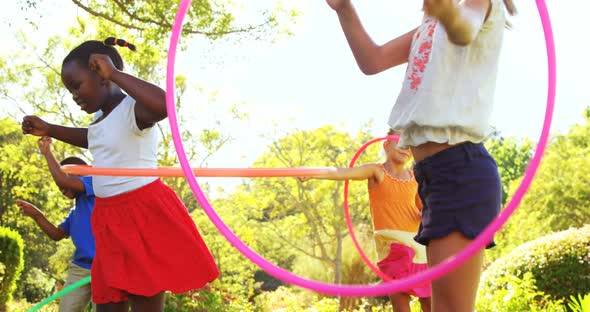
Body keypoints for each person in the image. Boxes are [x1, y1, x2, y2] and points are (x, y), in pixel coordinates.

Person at [327, 0, 515, 311]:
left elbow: (464, 28)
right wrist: (344, 8)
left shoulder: (477, 5)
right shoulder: (429, 27)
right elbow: (372, 60)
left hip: (459, 172)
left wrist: (440, 7)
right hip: (432, 178)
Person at [21, 37, 219, 312]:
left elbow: (164, 106)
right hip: (108, 217)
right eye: (69, 90)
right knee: (108, 300)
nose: (75, 95)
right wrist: (49, 128)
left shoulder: (133, 111)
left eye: (76, 86)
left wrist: (116, 73)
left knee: (144, 298)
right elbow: (92, 138)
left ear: (102, 74)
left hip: (140, 211)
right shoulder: (98, 120)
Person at [302, 130, 431, 312]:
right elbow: (344, 172)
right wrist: (315, 173)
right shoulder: (376, 171)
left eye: (408, 144)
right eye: (399, 142)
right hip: (393, 245)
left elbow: (422, 211)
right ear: (386, 145)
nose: (405, 148)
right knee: (401, 301)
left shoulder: (414, 178)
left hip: (417, 244)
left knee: (429, 301)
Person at [16, 136, 95, 312]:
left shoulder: (94, 184)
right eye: (61, 189)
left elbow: (63, 179)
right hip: (80, 268)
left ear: (78, 176)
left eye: (65, 185)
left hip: (105, 267)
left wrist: (47, 153)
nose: (62, 190)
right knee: (66, 309)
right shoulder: (75, 213)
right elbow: (57, 234)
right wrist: (37, 215)